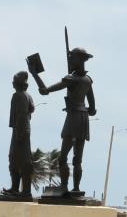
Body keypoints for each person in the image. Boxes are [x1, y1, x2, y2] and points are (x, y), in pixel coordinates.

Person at [29, 47, 96, 195]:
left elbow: (45, 90)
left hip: (73, 117)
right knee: (77, 159)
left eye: (72, 58)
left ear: (79, 59)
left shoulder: (71, 79)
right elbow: (92, 109)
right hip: (83, 118)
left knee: (62, 158)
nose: (70, 60)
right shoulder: (87, 80)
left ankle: (64, 187)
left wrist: (34, 74)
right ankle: (76, 188)